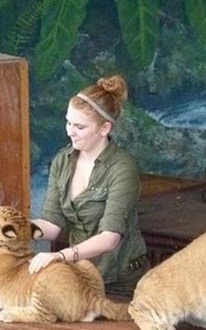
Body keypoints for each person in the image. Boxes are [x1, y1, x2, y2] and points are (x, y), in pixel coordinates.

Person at [29, 75, 149, 298]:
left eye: (79, 126)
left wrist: (60, 256)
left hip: (121, 282)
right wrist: (15, 227)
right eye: (68, 122)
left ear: (104, 128)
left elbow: (110, 237)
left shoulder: (122, 168)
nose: (69, 131)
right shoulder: (62, 161)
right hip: (81, 276)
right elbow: (52, 225)